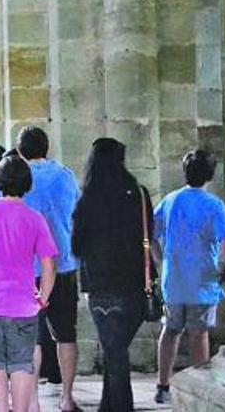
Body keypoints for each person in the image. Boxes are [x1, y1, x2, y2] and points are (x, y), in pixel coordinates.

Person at [0, 156, 57, 412]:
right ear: (27, 184)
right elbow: (49, 265)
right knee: (21, 365)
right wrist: (43, 297)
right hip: (23, 305)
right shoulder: (34, 218)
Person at [72, 138, 155, 412]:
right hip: (135, 284)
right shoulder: (139, 194)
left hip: (102, 287)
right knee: (115, 350)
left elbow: (76, 246)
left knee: (114, 352)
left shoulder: (88, 200)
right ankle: (108, 405)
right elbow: (149, 233)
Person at [153, 150, 225, 403]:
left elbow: (150, 235)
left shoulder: (170, 200)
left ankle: (162, 386)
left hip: (173, 280)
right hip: (202, 280)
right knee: (199, 334)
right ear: (210, 175)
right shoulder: (213, 204)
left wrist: (161, 261)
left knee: (170, 331)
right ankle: (198, 392)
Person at [16, 126, 82, 412]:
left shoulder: (19, 178)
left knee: (31, 337)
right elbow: (77, 213)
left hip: (27, 267)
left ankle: (32, 401)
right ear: (47, 148)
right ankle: (66, 397)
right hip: (63, 262)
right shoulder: (65, 175)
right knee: (66, 334)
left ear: (20, 152)